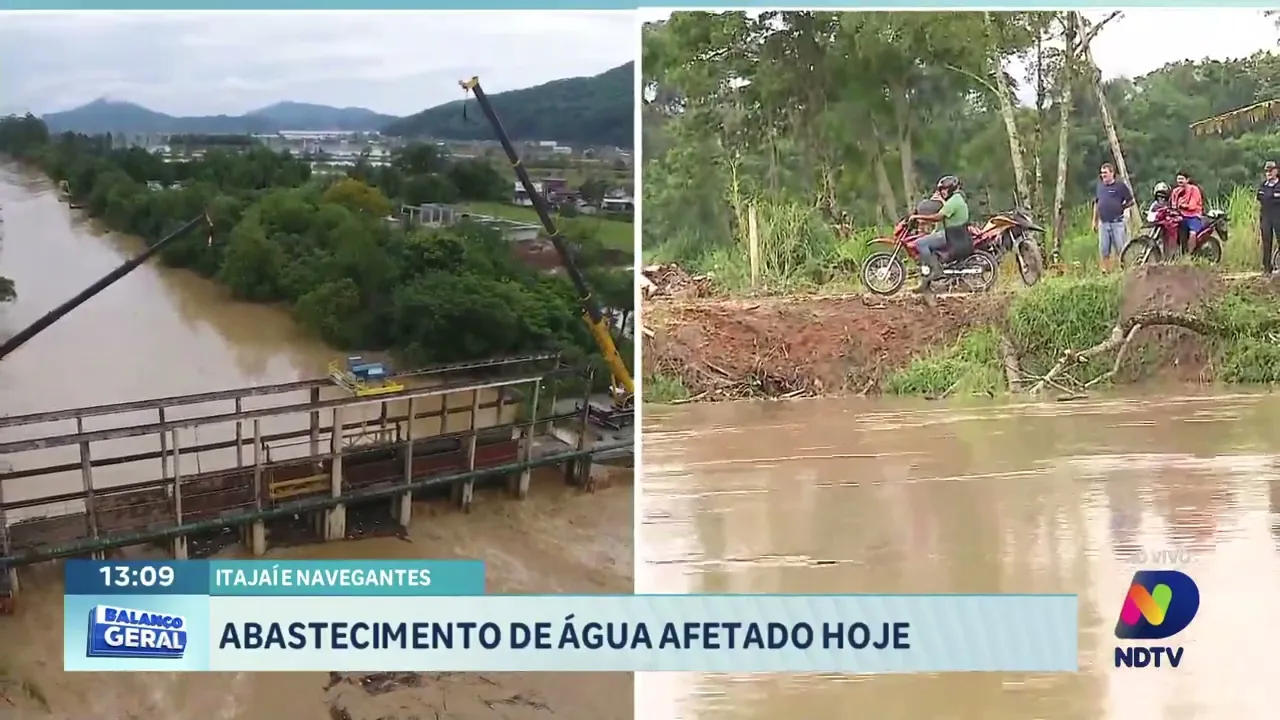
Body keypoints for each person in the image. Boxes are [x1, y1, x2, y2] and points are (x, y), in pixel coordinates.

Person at [909, 175, 969, 293]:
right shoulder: (956, 199)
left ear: (950, 189)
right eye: (941, 190)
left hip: (951, 234)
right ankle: (925, 282)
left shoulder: (953, 202)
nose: (942, 192)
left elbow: (937, 217)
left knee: (920, 243)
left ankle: (934, 270)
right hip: (955, 233)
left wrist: (917, 216)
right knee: (928, 240)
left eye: (944, 190)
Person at [1093, 162, 1134, 272]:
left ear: (1112, 173)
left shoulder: (1120, 186)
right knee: (1104, 249)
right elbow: (1097, 203)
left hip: (1117, 222)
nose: (1103, 175)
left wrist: (1122, 207)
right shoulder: (1100, 187)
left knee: (1120, 248)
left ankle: (1122, 270)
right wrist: (1094, 221)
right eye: (1102, 173)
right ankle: (1105, 271)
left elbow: (1131, 201)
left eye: (1105, 173)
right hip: (1104, 223)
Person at [1170, 170, 1205, 255]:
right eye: (1178, 179)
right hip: (1180, 216)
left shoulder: (1194, 190)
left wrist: (1181, 206)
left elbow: (1192, 205)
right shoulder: (1175, 191)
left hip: (1193, 216)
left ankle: (1189, 254)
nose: (1180, 181)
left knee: (1192, 234)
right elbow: (1173, 204)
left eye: (1182, 179)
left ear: (1187, 180)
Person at [1259, 160, 1280, 274]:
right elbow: (1260, 197)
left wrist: (1270, 197)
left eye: (1271, 170)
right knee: (1266, 242)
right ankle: (1267, 268)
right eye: (1267, 171)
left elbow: (1272, 198)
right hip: (1266, 216)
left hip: (1278, 216)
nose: (1268, 173)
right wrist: (1272, 196)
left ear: (1276, 171)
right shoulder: (1263, 185)